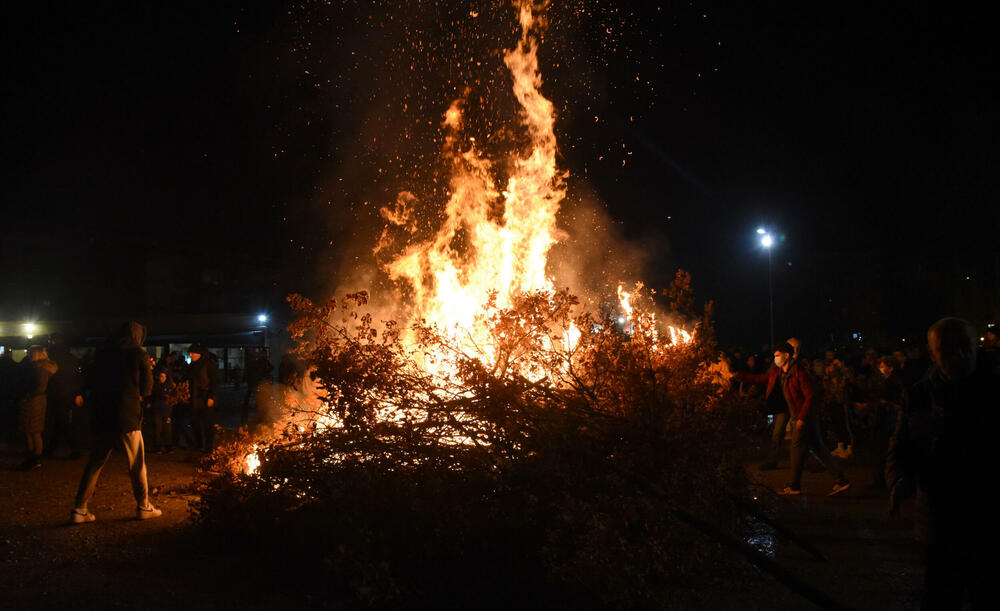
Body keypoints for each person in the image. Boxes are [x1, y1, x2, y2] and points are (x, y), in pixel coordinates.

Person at [885, 317, 999, 609]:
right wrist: (899, 478)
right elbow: (899, 449)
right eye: (945, 349)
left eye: (963, 346)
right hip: (939, 522)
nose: (957, 354)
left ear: (975, 346)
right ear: (932, 352)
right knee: (940, 596)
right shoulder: (919, 396)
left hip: (988, 521)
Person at [70, 321, 161, 524]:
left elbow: (90, 380)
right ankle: (144, 506)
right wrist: (141, 396)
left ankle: (79, 509)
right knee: (136, 463)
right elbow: (147, 386)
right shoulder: (138, 354)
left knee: (95, 462)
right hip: (127, 415)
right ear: (138, 336)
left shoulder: (103, 354)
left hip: (103, 414)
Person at [733, 342, 850, 496]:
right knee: (819, 449)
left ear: (786, 356)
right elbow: (761, 378)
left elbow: (810, 396)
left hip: (805, 417)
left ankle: (794, 486)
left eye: (777, 355)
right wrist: (737, 376)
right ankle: (841, 480)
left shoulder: (799, 373)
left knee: (796, 448)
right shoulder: (779, 372)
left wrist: (801, 418)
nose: (775, 358)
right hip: (801, 416)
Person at [16, 345, 59, 470]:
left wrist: (27, 396)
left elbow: (40, 386)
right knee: (31, 429)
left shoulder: (40, 368)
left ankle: (35, 457)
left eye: (31, 353)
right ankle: (32, 456)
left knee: (33, 430)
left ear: (36, 354)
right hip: (36, 401)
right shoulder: (43, 366)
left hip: (34, 401)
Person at [44, 333, 85, 459]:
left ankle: (75, 449)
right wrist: (78, 393)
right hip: (69, 392)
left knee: (62, 421)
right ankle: (52, 447)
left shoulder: (51, 356)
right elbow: (78, 376)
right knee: (61, 420)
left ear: (53, 342)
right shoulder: (71, 357)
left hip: (56, 392)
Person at [187, 343, 219, 453]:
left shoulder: (209, 365)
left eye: (193, 353)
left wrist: (211, 397)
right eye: (190, 353)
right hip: (195, 399)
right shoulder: (192, 366)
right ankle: (199, 443)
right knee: (194, 422)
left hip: (206, 398)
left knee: (208, 424)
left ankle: (208, 447)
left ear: (200, 353)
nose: (191, 355)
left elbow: (215, 382)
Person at [241, 347, 273, 427]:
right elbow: (254, 375)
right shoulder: (257, 363)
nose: (265, 355)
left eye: (265, 354)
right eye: (264, 354)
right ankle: (257, 421)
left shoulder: (264, 363)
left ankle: (261, 420)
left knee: (262, 404)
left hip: (261, 386)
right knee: (260, 404)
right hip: (258, 386)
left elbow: (268, 371)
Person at [149, 368, 175, 453]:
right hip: (157, 410)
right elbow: (152, 397)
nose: (162, 378)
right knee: (157, 429)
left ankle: (168, 446)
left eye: (164, 376)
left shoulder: (170, 386)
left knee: (167, 429)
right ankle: (158, 447)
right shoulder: (155, 386)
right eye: (161, 376)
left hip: (166, 410)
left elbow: (173, 400)